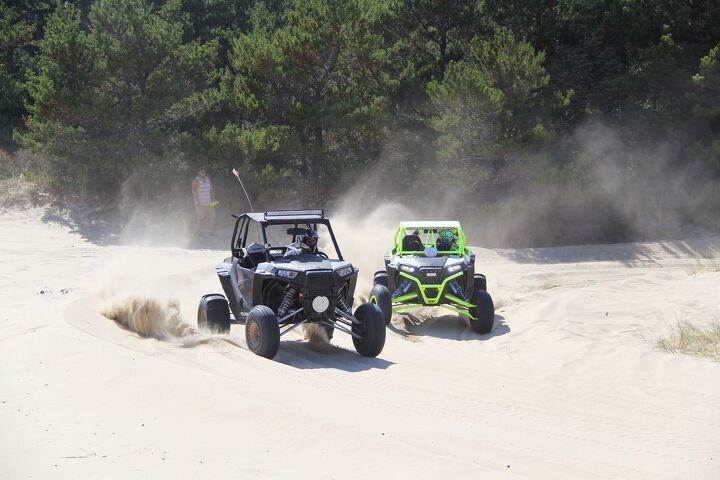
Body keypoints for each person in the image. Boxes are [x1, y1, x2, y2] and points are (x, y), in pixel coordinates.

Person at [191, 166, 216, 233]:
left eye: (205, 171)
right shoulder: (196, 180)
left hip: (209, 203)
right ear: (199, 172)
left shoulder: (208, 179)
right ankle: (199, 232)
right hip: (200, 203)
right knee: (200, 219)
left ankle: (210, 231)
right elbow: (194, 191)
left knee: (212, 217)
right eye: (202, 171)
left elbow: (211, 189)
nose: (204, 173)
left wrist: (213, 199)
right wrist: (197, 201)